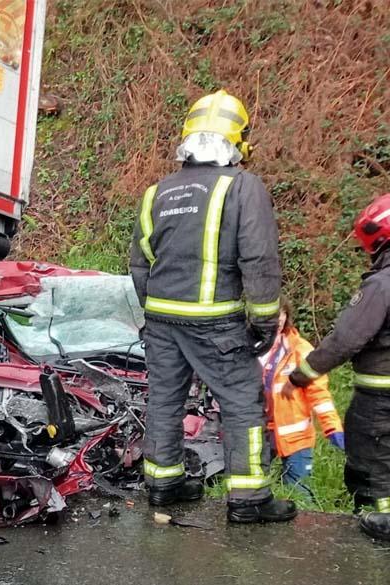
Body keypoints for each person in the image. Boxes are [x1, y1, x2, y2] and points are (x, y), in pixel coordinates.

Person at [129, 89, 296, 523]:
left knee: (165, 399)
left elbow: (140, 262)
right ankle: (250, 500)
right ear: (239, 142)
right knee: (241, 402)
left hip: (162, 320)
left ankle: (163, 484)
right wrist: (263, 320)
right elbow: (258, 258)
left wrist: (157, 309)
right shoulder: (242, 186)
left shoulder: (156, 192)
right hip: (216, 323)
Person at [285, 194, 390, 541]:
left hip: (380, 401)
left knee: (374, 470)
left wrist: (302, 374)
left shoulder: (381, 286)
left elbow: (346, 340)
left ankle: (379, 533)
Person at [259, 303, 344, 496]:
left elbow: (319, 393)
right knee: (254, 493)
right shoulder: (250, 349)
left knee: (299, 494)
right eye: (272, 314)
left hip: (295, 436)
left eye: (281, 314)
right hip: (259, 432)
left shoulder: (300, 350)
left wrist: (332, 426)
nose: (278, 319)